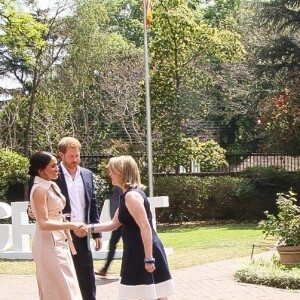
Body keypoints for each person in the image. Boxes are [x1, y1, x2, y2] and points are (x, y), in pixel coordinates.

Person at [77, 155, 176, 300]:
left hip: (143, 251)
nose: (109, 173)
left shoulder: (132, 196)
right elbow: (113, 224)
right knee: (151, 294)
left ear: (121, 172)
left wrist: (149, 258)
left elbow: (145, 227)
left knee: (151, 294)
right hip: (135, 251)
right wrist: (88, 228)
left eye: (112, 170)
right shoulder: (126, 195)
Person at [28, 151, 85, 300]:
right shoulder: (39, 189)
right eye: (52, 166)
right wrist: (73, 225)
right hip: (48, 244)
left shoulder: (51, 184)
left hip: (60, 241)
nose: (57, 168)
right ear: (41, 170)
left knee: (68, 287)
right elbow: (43, 223)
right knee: (56, 290)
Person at [56, 137, 102, 300]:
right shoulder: (54, 174)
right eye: (71, 156)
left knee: (86, 275)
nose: (75, 159)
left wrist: (96, 233)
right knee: (64, 276)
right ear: (61, 155)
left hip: (82, 233)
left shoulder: (87, 174)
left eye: (77, 155)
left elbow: (93, 203)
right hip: (61, 235)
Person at [96, 185, 123, 277]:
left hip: (122, 221)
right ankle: (105, 269)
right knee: (113, 243)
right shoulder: (115, 187)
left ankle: (106, 269)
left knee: (116, 244)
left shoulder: (121, 186)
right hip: (118, 221)